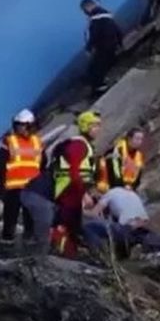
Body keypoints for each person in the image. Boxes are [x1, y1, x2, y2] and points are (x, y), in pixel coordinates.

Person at [50, 110, 102, 257]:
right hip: (69, 190)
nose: (98, 129)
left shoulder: (83, 144)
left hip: (71, 190)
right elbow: (74, 172)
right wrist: (84, 194)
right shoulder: (79, 145)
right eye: (94, 125)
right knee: (67, 225)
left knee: (71, 225)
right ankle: (63, 255)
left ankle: (68, 253)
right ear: (85, 126)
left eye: (98, 125)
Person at [82, 186, 160, 258]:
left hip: (127, 229)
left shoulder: (109, 194)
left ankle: (98, 255)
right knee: (119, 230)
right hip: (144, 227)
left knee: (89, 227)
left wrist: (80, 210)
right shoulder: (130, 193)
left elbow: (94, 213)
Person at [0, 109, 44, 243]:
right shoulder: (9, 141)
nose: (20, 127)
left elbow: (42, 164)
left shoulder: (38, 142)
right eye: (18, 124)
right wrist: (1, 185)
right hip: (14, 187)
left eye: (22, 125)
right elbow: (0, 165)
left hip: (31, 188)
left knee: (30, 219)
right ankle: (7, 244)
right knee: (10, 220)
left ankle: (28, 245)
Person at [81, 0, 123, 97]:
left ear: (87, 7)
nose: (85, 13)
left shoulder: (96, 18)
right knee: (102, 66)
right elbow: (117, 29)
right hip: (112, 45)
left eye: (84, 10)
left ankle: (98, 89)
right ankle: (101, 84)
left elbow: (94, 35)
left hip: (103, 46)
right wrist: (120, 43)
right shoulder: (107, 15)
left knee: (95, 69)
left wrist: (88, 48)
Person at [96, 127, 146, 193]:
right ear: (129, 138)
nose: (139, 142)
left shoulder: (139, 156)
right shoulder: (117, 150)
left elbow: (138, 177)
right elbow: (115, 173)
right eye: (137, 139)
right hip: (109, 188)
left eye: (141, 139)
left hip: (128, 188)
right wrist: (123, 187)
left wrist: (132, 187)